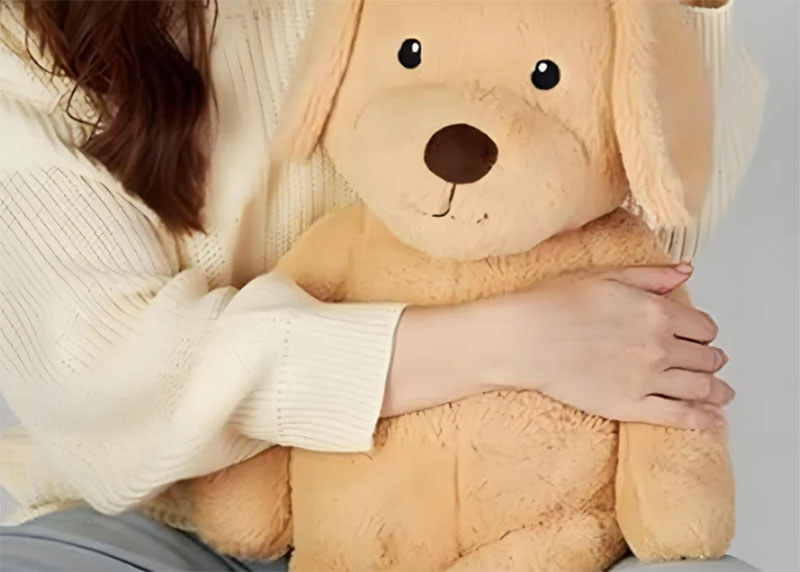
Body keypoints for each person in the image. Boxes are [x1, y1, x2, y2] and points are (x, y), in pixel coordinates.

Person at [0, 0, 764, 570]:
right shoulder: (29, 34)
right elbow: (104, 393)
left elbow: (643, 229)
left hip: (536, 525)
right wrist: (506, 342)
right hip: (164, 524)